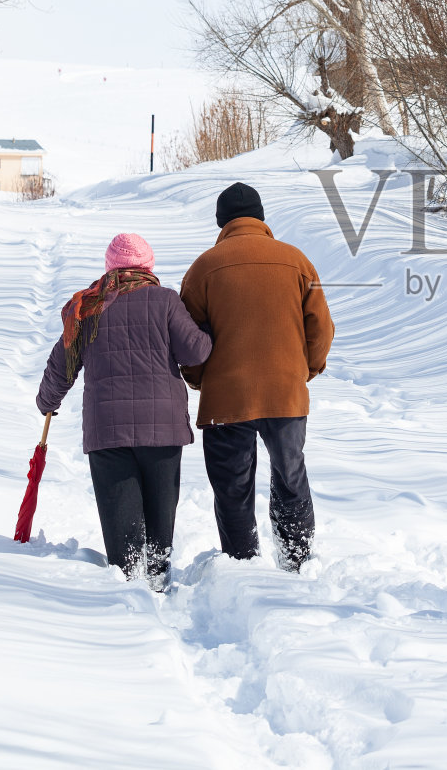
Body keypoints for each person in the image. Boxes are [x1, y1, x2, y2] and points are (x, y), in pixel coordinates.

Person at [36, 232, 211, 591]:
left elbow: (62, 364)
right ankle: (158, 579)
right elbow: (195, 352)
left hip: (108, 431)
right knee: (161, 512)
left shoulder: (89, 307)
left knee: (122, 527)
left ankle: (128, 588)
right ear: (148, 267)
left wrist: (47, 402)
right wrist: (208, 328)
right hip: (162, 429)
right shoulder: (165, 301)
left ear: (109, 268)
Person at [181, 182, 333, 572]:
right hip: (286, 393)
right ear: (261, 217)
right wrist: (305, 371)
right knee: (290, 475)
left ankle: (242, 566)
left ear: (222, 222)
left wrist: (198, 379)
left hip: (226, 399)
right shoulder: (296, 261)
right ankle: (297, 562)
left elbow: (188, 339)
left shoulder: (203, 268)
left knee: (232, 488)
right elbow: (321, 327)